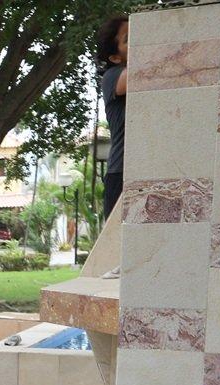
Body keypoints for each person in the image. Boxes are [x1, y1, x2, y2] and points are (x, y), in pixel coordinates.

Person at [97, 14, 128, 279]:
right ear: (115, 57)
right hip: (121, 173)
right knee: (123, 253)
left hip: (142, 170)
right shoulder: (113, 75)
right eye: (130, 40)